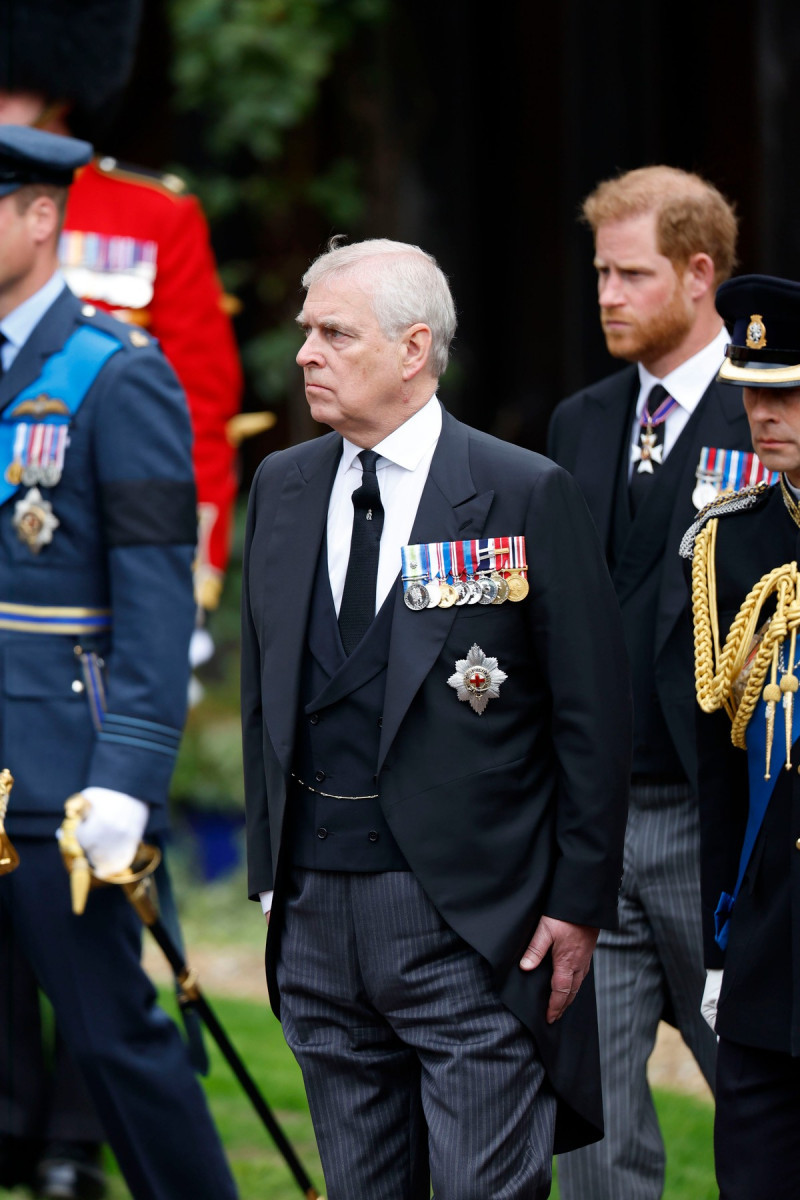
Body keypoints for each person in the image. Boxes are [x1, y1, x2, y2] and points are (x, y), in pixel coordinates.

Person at [241, 237, 631, 1199]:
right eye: (305, 333)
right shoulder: (284, 486)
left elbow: (591, 716)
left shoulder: (521, 490)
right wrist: (270, 876)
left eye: (334, 334)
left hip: (470, 908)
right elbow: (265, 689)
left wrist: (577, 904)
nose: (305, 356)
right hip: (317, 905)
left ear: (414, 348)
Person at [0, 5, 242, 1193]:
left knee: (113, 1036)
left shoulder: (115, 369)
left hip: (62, 764)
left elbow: (151, 589)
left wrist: (132, 770)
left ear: (42, 215)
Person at [547, 166, 761, 1200]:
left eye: (629, 275)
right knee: (591, 1123)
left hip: (717, 821)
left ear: (697, 275)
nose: (605, 295)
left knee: (763, 1096)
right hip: (590, 824)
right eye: (597, 273)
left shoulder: (771, 412)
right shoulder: (578, 422)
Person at [682, 273, 800, 1199]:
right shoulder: (734, 541)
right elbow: (720, 770)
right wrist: (720, 950)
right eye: (755, 390)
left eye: (789, 391)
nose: (765, 412)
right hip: (767, 943)